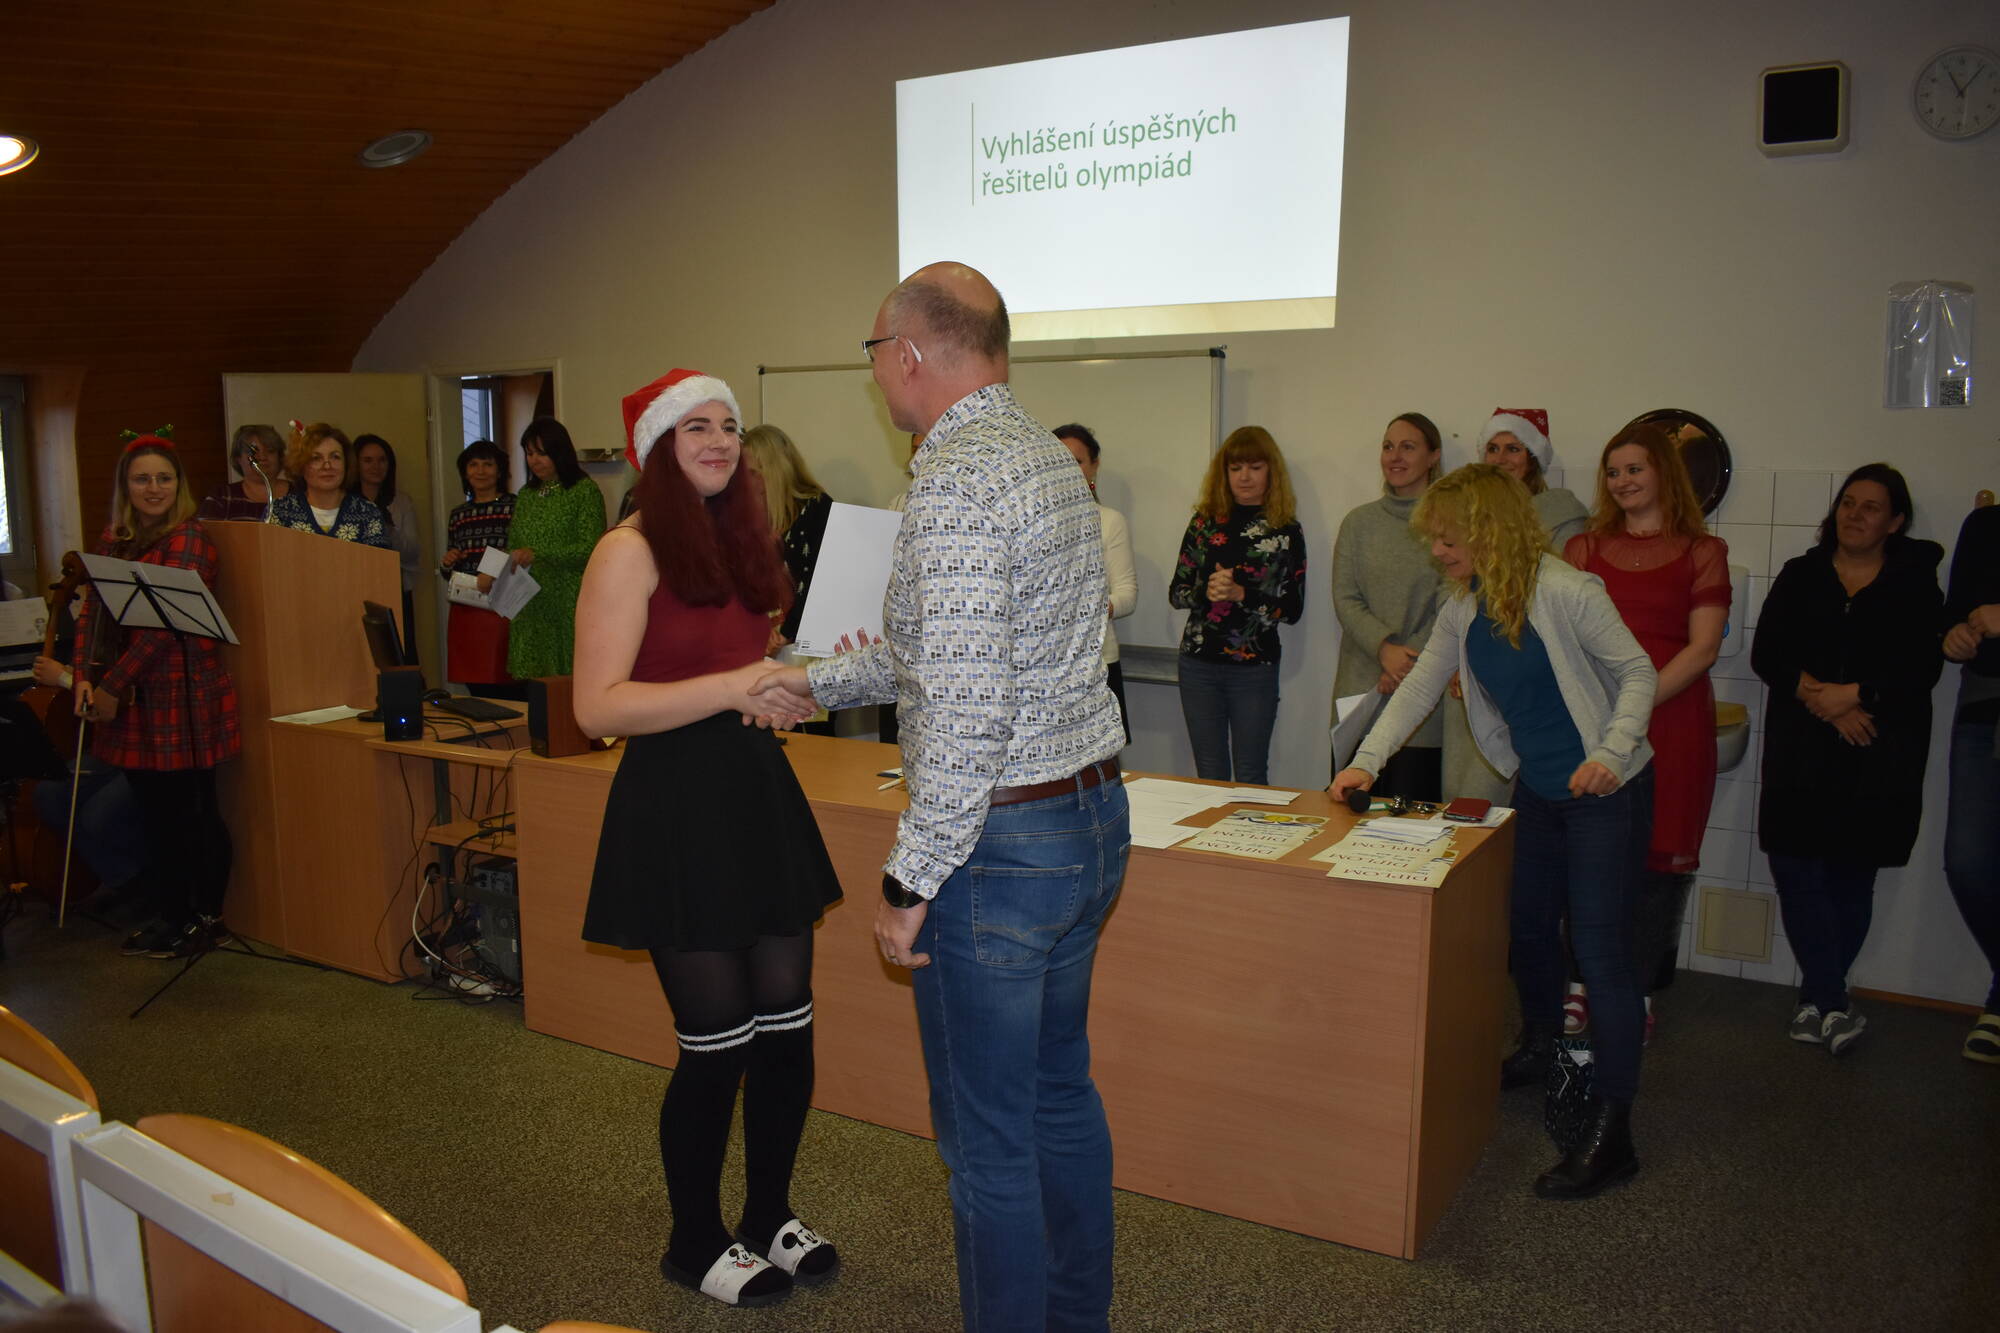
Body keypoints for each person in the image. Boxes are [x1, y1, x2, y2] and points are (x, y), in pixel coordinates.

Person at [753, 262, 1129, 1332]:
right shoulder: (1045, 458)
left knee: (988, 1143)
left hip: (1000, 849)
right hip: (1087, 822)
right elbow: (945, 656)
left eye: (876, 353)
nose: (876, 374)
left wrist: (909, 881)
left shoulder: (955, 482)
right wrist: (814, 683)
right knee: (1058, 1094)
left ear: (911, 354)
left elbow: (963, 710)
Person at [575, 369, 840, 1310]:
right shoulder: (627, 548)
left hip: (752, 792)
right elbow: (597, 707)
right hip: (675, 810)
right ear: (657, 447)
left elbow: (739, 667)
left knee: (788, 1027)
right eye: (696, 426)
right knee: (717, 1042)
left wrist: (784, 684)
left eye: (728, 424)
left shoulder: (736, 541)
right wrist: (735, 687)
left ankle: (768, 1213)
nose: (721, 439)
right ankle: (694, 1238)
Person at [1331, 464, 1657, 1199]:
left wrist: (1611, 753)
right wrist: (1365, 762)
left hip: (1607, 791)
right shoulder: (1465, 605)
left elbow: (1638, 673)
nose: (1438, 551)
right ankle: (1543, 1045)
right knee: (1528, 926)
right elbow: (1419, 685)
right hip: (1539, 787)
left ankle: (1614, 1127)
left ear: (1489, 532)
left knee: (1600, 952)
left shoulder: (1570, 592)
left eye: (1449, 539)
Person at [1753, 464, 1943, 1056]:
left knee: (1850, 874)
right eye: (1848, 502)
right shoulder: (1801, 573)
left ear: (1896, 521)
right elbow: (1767, 653)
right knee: (1794, 866)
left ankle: (1819, 1001)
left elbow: (1923, 668)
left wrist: (1858, 695)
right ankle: (1832, 1001)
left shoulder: (1916, 583)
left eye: (1870, 507)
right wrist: (1825, 700)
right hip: (1800, 748)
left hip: (1878, 753)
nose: (1854, 515)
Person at [1564, 424, 1729, 1041]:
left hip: (1672, 719)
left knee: (1659, 863)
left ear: (1663, 472)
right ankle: (1580, 988)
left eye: (1635, 468)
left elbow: (1703, 648)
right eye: (1613, 472)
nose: (1622, 481)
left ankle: (1635, 994)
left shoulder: (1702, 551)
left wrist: (1632, 706)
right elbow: (1561, 637)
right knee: (1589, 858)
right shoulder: (1583, 549)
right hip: (1593, 720)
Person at [73, 435, 242, 960]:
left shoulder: (190, 539)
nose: (153, 488)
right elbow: (91, 614)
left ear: (178, 485)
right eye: (142, 479)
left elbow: (162, 629)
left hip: (181, 697)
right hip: (135, 699)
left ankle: (205, 918)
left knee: (193, 814)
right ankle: (172, 914)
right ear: (126, 486)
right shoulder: (115, 540)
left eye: (163, 478)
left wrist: (111, 685)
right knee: (155, 817)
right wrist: (82, 677)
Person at [1168, 426, 1307, 784]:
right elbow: (1177, 593)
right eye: (1235, 468)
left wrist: (1242, 595)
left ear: (1271, 472)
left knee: (1250, 773)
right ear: (1224, 473)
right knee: (1209, 774)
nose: (1244, 477)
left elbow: (1293, 609)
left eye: (1255, 467)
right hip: (1198, 664)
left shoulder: (1285, 530)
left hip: (1254, 668)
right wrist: (1207, 591)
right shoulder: (1203, 523)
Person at [1330, 412, 1446, 799]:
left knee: (1410, 820)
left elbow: (1451, 603)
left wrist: (1404, 662)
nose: (1395, 456)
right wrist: (1384, 649)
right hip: (1358, 692)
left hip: (1422, 695)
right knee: (1347, 817)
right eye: (1388, 446)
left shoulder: (1451, 524)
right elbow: (1345, 598)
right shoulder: (1358, 523)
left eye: (1408, 447)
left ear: (1433, 456)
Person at [1942, 501, 2000, 1063]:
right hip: (1983, 707)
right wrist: (1956, 634)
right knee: (1967, 863)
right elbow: (1954, 614)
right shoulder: (1985, 525)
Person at [1056, 423, 1138, 743]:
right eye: (1058, 461)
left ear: (1094, 466)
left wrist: (1088, 607)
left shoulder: (1109, 521)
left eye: (1076, 461)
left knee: (1102, 763)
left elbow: (1127, 595)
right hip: (1043, 672)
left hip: (1097, 664)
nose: (1068, 469)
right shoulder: (1027, 523)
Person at [504, 417, 603, 679]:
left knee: (568, 679)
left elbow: (591, 549)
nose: (534, 461)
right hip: (529, 599)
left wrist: (540, 555)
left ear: (559, 453)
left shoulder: (584, 491)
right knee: (534, 682)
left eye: (542, 453)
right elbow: (514, 543)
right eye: (529, 454)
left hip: (567, 597)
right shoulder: (526, 495)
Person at [741, 424, 834, 650]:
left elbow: (819, 581)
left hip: (806, 644)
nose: (743, 483)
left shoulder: (816, 509)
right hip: (765, 638)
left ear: (773, 472)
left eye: (751, 474)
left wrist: (787, 632)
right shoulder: (750, 516)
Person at [439, 440, 518, 696]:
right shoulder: (458, 514)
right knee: (475, 683)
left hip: (503, 604)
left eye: (487, 464)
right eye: (473, 465)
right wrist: (447, 562)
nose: (480, 471)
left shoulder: (515, 507)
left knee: (508, 681)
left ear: (500, 470)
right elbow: (450, 570)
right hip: (466, 606)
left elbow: (520, 553)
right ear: (465, 472)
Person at [354, 433, 423, 661]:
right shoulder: (345, 501)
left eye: (382, 460)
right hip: (355, 587)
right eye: (368, 460)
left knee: (401, 652)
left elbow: (413, 552)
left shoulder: (401, 502)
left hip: (396, 587)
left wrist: (387, 529)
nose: (376, 466)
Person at [1478, 409, 1588, 550]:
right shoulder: (1469, 510)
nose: (1499, 460)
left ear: (1533, 461)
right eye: (1492, 449)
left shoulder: (1560, 516)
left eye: (1513, 449)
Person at [268, 423, 389, 546]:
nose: (327, 466)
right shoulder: (279, 511)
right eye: (316, 458)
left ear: (346, 463)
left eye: (335, 457)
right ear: (301, 465)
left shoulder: (368, 513)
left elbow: (379, 558)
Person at [197, 424, 289, 521]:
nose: (262, 457)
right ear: (238, 459)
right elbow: (203, 530)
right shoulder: (221, 497)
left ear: (280, 457)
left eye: (270, 451)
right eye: (253, 452)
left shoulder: (298, 493)